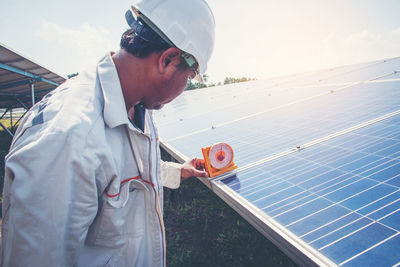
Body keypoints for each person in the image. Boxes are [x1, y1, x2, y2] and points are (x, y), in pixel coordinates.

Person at [1, 0, 215, 266]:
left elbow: (120, 169)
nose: (186, 86)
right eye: (191, 75)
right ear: (168, 59)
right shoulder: (69, 138)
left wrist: (176, 171)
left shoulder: (137, 105)